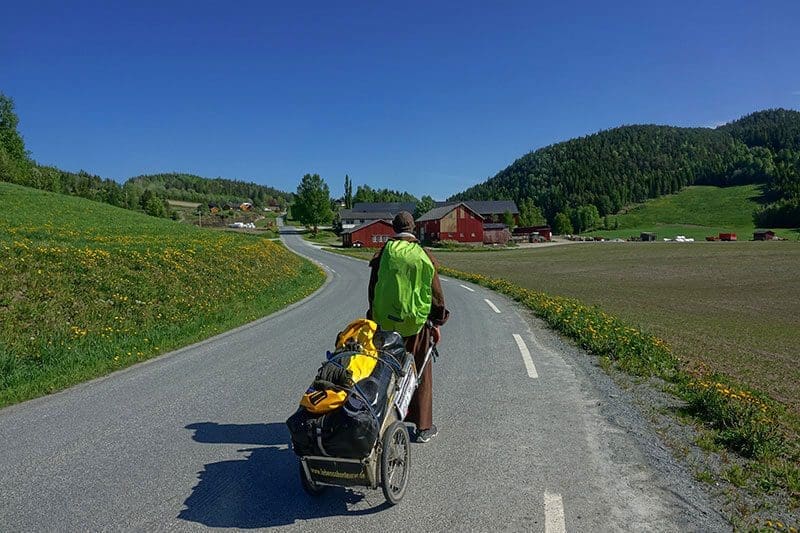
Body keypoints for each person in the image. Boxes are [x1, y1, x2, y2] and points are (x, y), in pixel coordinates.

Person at [367, 211, 449, 443]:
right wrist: (437, 322)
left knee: (384, 369)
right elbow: (436, 294)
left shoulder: (383, 253)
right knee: (420, 373)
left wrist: (373, 316)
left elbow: (373, 289)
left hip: (385, 324)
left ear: (394, 228)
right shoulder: (423, 255)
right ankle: (423, 427)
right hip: (416, 325)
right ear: (413, 229)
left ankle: (379, 420)